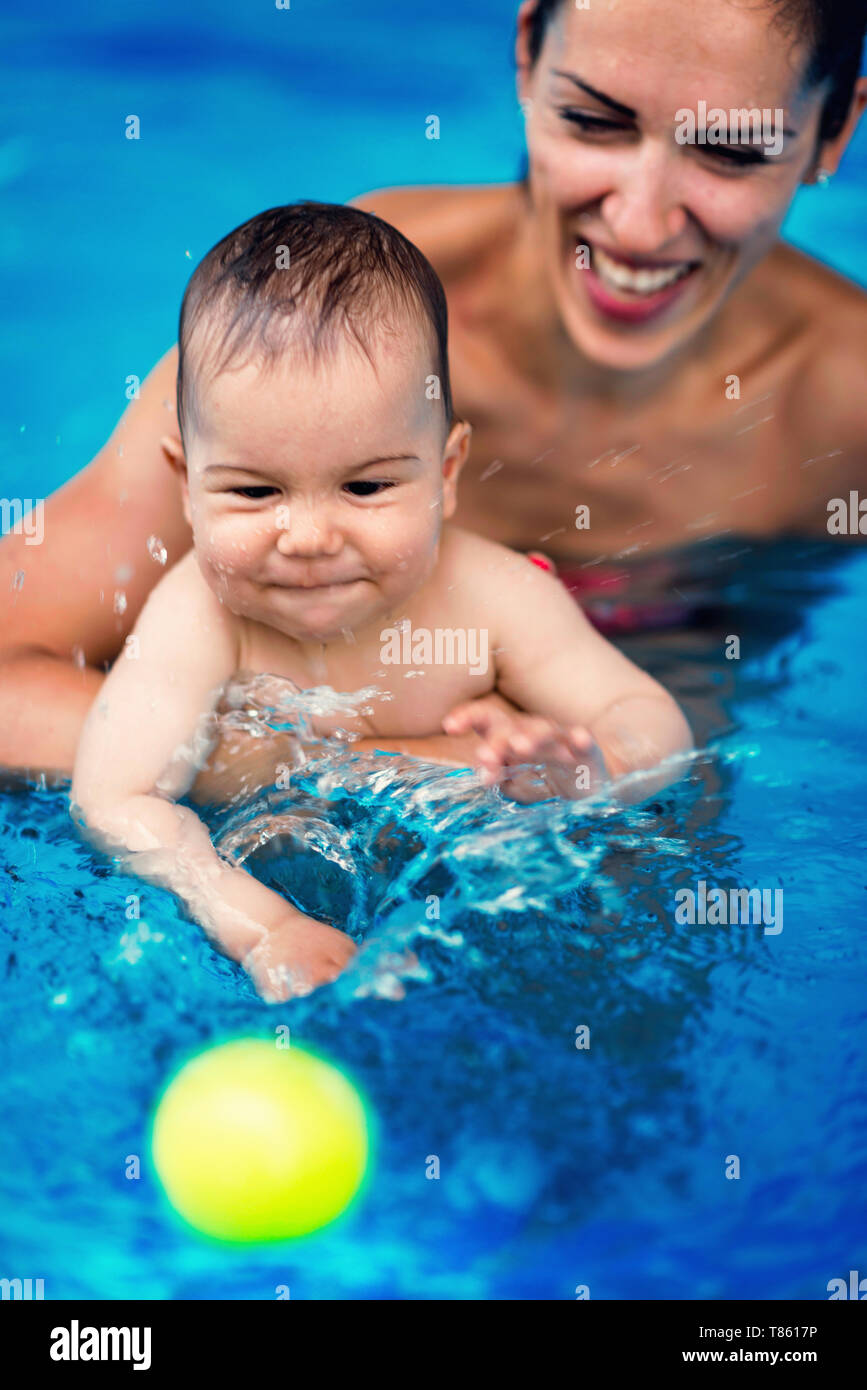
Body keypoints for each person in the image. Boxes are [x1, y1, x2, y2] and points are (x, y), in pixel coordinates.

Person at [2, 0, 864, 790]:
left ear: (833, 135)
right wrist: (388, 774)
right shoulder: (335, 326)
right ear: (525, 56)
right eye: (592, 122)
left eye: (731, 151)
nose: (638, 225)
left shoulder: (844, 405)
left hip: (662, 688)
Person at [70, 203, 692, 1001]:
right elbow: (114, 797)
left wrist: (592, 770)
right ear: (185, 487)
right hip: (279, 909)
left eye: (366, 486)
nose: (308, 536)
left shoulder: (494, 597)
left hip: (488, 900)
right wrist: (263, 927)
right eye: (255, 491)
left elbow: (655, 723)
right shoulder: (199, 617)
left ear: (447, 471)